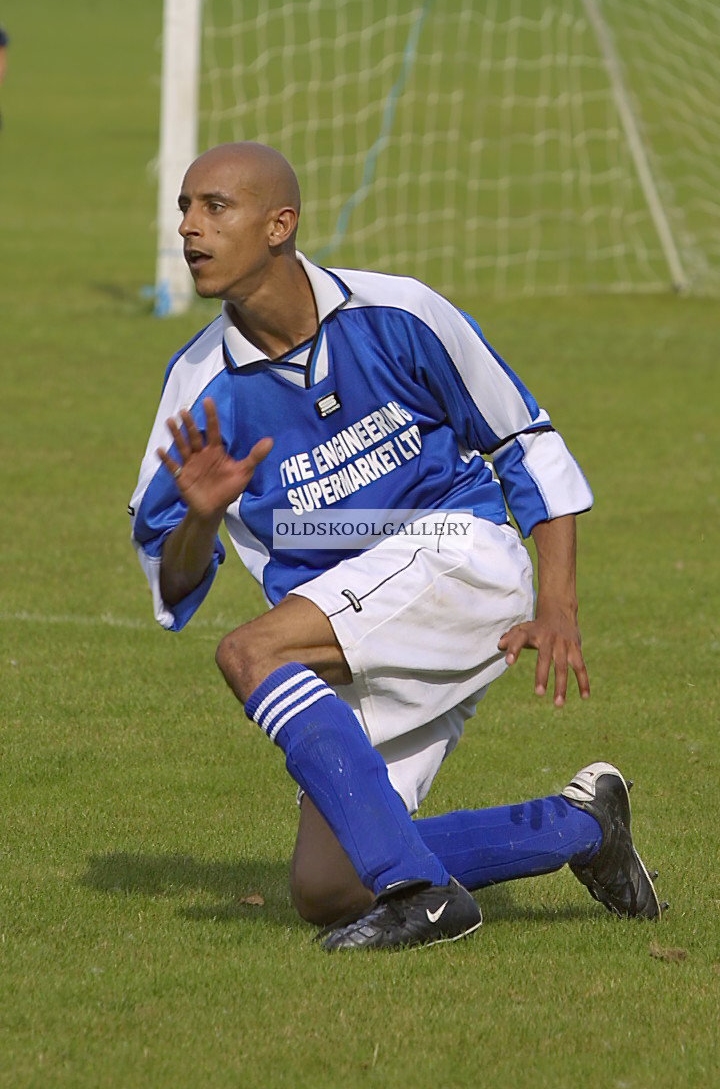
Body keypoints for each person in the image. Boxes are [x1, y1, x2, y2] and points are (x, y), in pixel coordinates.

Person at [129, 142, 663, 951]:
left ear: (281, 224)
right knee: (328, 888)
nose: (188, 229)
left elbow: (525, 441)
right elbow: (169, 578)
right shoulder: (198, 384)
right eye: (183, 209)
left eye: (213, 207)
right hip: (356, 618)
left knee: (250, 653)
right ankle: (582, 828)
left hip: (461, 556)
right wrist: (201, 516)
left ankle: (425, 898)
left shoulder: (400, 313)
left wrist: (557, 605)